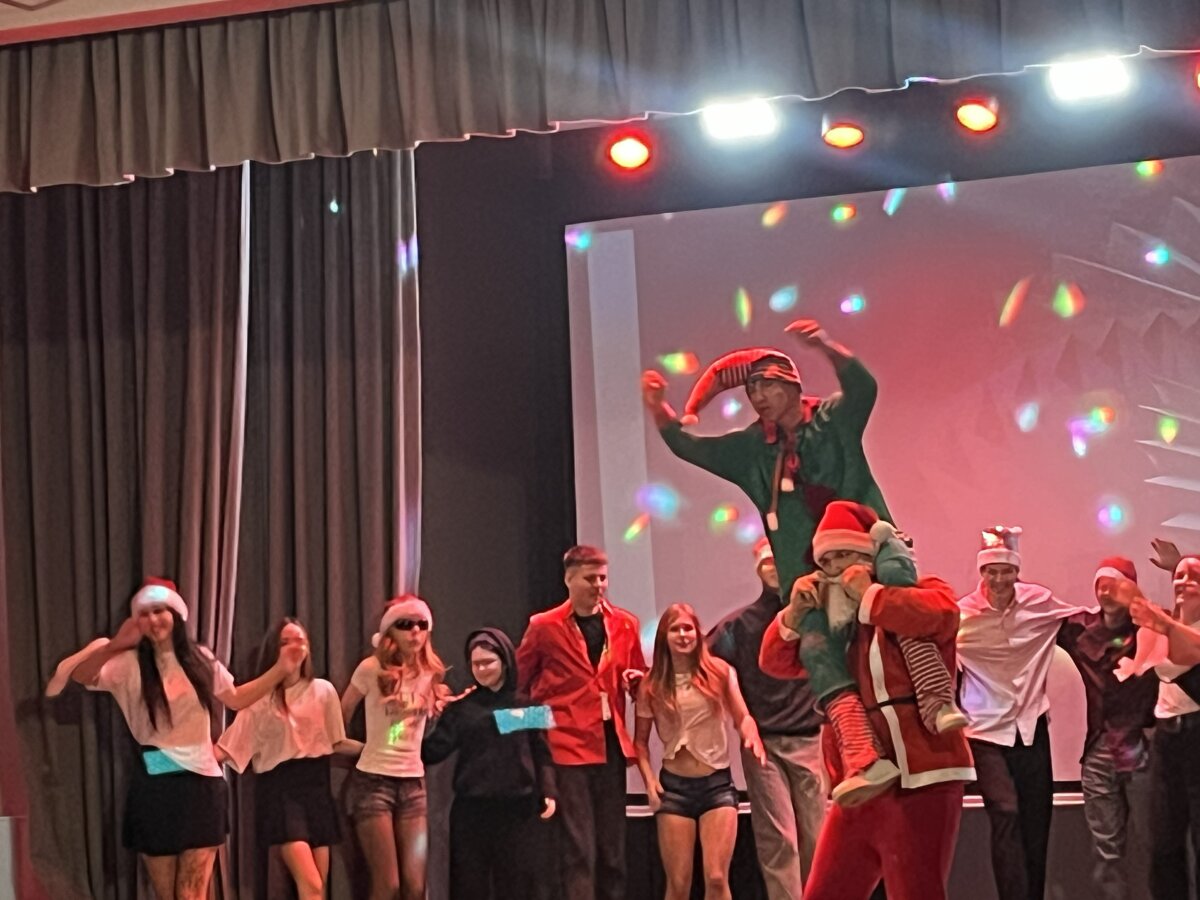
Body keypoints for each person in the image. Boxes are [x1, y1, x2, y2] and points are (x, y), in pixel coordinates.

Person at [641, 319, 900, 806]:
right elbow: (688, 446)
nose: (757, 397)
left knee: (897, 634)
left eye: (767, 385)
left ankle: (930, 714)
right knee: (816, 647)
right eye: (751, 389)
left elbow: (864, 388)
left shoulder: (832, 420)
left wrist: (825, 345)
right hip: (810, 581)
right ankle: (862, 753)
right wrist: (664, 412)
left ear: (792, 385)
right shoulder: (753, 451)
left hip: (870, 558)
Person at [759, 504, 974, 900]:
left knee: (915, 891)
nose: (834, 568)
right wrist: (795, 615)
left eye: (844, 555)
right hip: (860, 780)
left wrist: (870, 594)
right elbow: (775, 662)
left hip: (922, 775)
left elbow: (940, 615)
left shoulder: (922, 590)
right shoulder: (836, 624)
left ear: (869, 555)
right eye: (826, 561)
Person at [59, 577, 304, 900]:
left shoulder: (200, 658)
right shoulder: (129, 664)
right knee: (167, 895)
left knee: (190, 894)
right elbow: (82, 676)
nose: (153, 619)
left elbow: (235, 698)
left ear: (175, 614)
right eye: (145, 613)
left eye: (160, 610)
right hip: (155, 781)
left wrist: (281, 670)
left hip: (202, 785)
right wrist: (115, 645)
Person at [956, 526, 1097, 900]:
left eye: (1006, 571)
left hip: (1031, 727)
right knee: (1005, 813)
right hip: (984, 732)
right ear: (981, 572)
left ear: (1017, 571)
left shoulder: (1039, 603)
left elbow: (1088, 619)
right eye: (991, 571)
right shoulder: (962, 616)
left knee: (1037, 823)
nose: (999, 579)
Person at [515, 545, 646, 900]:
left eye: (603, 578)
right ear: (569, 579)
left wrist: (637, 683)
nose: (599, 585)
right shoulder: (544, 626)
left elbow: (638, 679)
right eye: (590, 578)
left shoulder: (625, 624)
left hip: (610, 745)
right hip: (566, 747)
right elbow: (519, 684)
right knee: (578, 848)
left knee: (613, 850)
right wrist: (519, 728)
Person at [706, 538, 825, 898]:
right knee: (779, 840)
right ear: (757, 568)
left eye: (778, 560)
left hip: (809, 739)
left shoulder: (814, 619)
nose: (774, 569)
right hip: (764, 744)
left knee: (817, 839)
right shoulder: (739, 626)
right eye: (766, 563)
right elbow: (698, 664)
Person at [217, 617, 362, 900]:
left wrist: (376, 750)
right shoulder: (260, 700)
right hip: (280, 790)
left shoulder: (323, 690)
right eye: (286, 642)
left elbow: (336, 742)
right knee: (312, 885)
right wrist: (169, 759)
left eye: (300, 640)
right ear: (275, 650)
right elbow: (227, 749)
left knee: (318, 887)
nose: (295, 647)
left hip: (317, 787)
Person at [635, 603, 765, 900]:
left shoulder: (720, 672)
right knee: (678, 884)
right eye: (675, 629)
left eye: (688, 628)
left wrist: (751, 734)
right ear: (664, 636)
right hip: (674, 789)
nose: (683, 635)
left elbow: (742, 717)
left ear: (698, 632)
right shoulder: (651, 685)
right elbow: (640, 743)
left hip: (716, 786)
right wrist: (649, 781)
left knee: (717, 878)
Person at [421, 628, 558, 900]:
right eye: (476, 664)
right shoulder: (462, 709)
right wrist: (404, 727)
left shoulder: (529, 706)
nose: (482, 669)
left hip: (518, 810)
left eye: (488, 662)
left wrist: (549, 791)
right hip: (472, 810)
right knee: (469, 885)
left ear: (505, 662)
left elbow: (542, 752)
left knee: (517, 884)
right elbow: (433, 750)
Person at [1055, 558, 1158, 900]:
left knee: (1155, 842)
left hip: (1144, 747)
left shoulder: (1152, 627)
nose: (1106, 591)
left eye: (1115, 584)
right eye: (1101, 584)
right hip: (1099, 749)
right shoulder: (1078, 628)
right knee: (1106, 849)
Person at [341, 595, 447, 900]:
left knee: (415, 887)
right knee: (388, 885)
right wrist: (356, 748)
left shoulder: (430, 672)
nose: (414, 631)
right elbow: (340, 715)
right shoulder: (371, 668)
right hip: (373, 783)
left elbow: (411, 731)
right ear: (390, 631)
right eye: (405, 624)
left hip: (413, 785)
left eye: (421, 624)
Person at [1130, 554, 1200, 899]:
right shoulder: (1162, 624)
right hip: (1167, 737)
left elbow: (1188, 656)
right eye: (1179, 575)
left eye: (1193, 576)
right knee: (1163, 842)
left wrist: (1165, 627)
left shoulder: (1170, 627)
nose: (1183, 581)